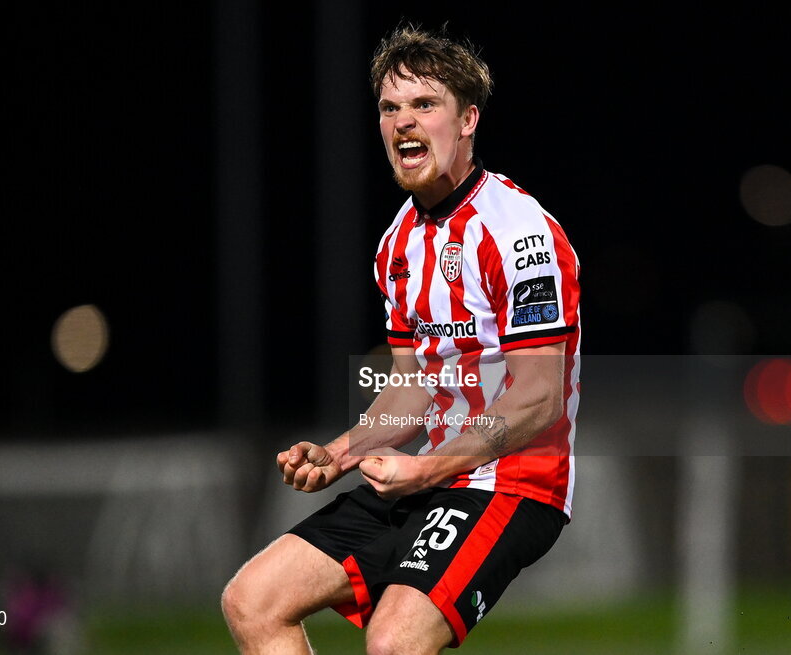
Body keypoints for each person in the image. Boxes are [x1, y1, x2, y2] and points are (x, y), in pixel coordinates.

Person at [222, 25, 581, 655]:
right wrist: (341, 453)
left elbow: (538, 398)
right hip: (434, 478)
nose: (403, 122)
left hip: (514, 482)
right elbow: (414, 387)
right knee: (252, 600)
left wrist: (429, 467)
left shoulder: (518, 232)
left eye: (425, 104)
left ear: (468, 120)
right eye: (391, 107)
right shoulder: (398, 242)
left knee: (393, 643)